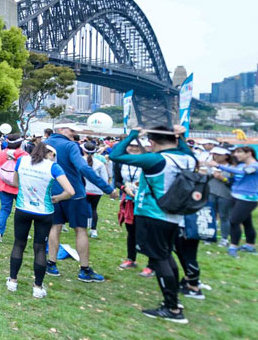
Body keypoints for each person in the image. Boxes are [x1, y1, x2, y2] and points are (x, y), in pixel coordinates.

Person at [110, 125, 195, 323]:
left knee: (159, 259)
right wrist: (180, 135)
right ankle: (173, 299)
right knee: (166, 255)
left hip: (152, 214)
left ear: (152, 142)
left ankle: (172, 308)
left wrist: (132, 135)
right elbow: (183, 147)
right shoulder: (188, 158)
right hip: (174, 215)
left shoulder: (156, 160)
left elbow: (116, 155)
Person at [45, 123, 116, 283]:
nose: (74, 133)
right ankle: (84, 270)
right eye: (71, 130)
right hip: (74, 194)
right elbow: (84, 168)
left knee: (54, 227)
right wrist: (107, 188)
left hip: (52, 193)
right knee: (80, 230)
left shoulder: (45, 143)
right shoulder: (71, 146)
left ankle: (51, 264)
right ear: (61, 130)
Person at [5, 142, 75, 298]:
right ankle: (37, 287)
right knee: (40, 248)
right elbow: (70, 191)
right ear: (49, 154)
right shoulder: (52, 167)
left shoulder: (22, 161)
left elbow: (15, 182)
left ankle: (12, 281)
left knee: (19, 243)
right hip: (44, 211)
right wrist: (58, 198)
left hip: (23, 208)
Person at [212, 146, 258, 257]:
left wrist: (218, 165)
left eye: (239, 152)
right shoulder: (241, 165)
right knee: (247, 223)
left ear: (249, 153)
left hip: (247, 199)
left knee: (234, 222)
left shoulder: (256, 166)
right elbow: (235, 177)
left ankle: (233, 247)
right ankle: (250, 245)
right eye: (235, 152)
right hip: (236, 197)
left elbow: (242, 172)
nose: (236, 155)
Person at [114, 138, 146, 272]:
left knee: (146, 232)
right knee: (131, 230)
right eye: (130, 145)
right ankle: (131, 258)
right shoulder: (121, 162)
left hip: (146, 201)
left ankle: (152, 264)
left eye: (136, 146)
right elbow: (117, 181)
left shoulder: (147, 161)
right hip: (128, 200)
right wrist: (123, 188)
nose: (133, 148)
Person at [0, 133, 28, 240]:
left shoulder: (2, 154)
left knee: (4, 209)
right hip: (20, 187)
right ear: (20, 143)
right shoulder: (24, 155)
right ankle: (22, 232)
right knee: (22, 210)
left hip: (4, 186)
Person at [82, 141, 109, 239]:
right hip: (96, 191)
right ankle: (93, 230)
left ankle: (83, 228)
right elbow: (104, 179)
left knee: (83, 209)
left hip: (83, 189)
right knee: (94, 209)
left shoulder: (79, 161)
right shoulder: (100, 163)